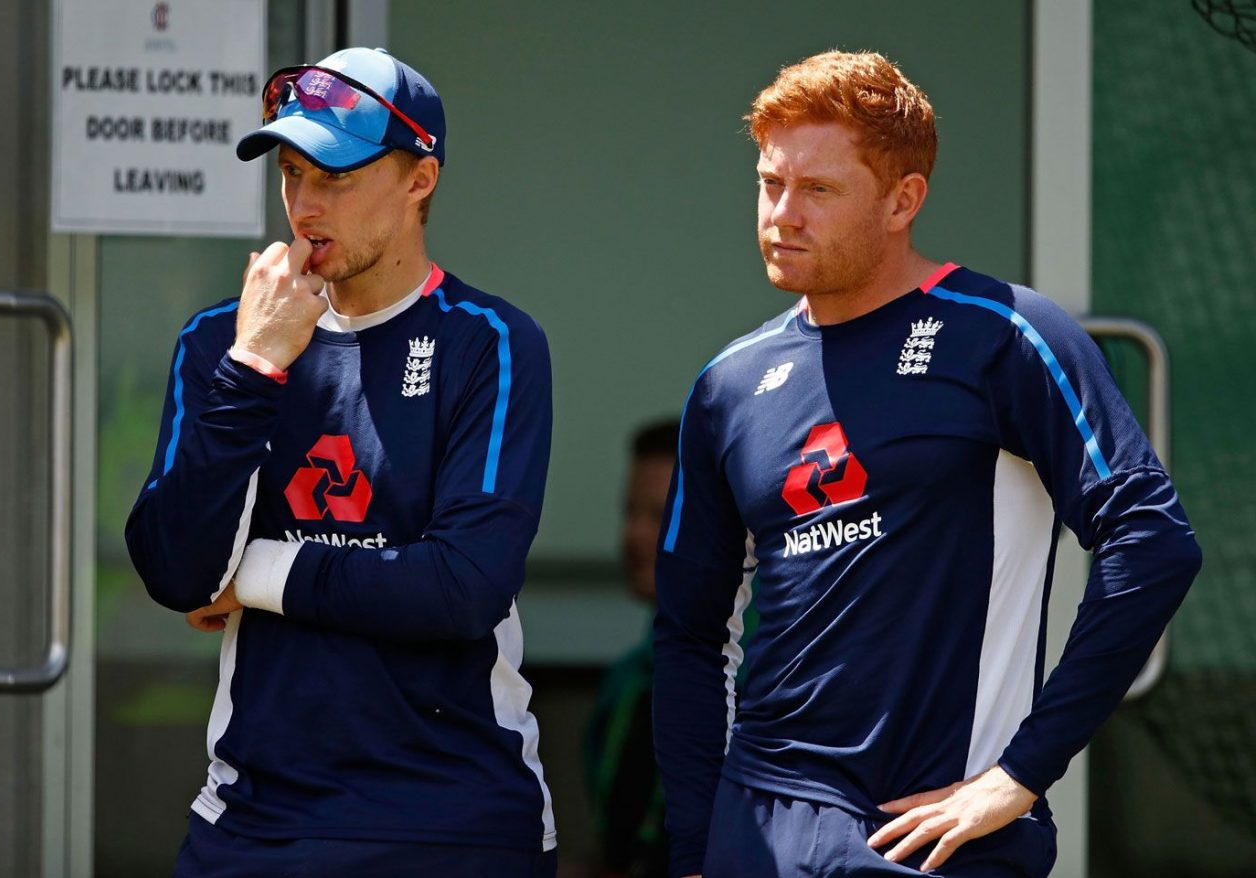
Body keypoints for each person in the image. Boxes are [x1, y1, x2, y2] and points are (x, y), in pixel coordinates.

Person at [652, 50, 1201, 878]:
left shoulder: (1008, 334)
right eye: (771, 184)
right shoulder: (728, 384)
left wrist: (1021, 774)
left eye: (820, 191)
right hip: (757, 831)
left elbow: (1153, 542)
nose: (782, 215)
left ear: (904, 198)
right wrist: (698, 847)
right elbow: (689, 636)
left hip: (936, 836)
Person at [125, 47, 556, 877]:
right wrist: (255, 366)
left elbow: (463, 587)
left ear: (419, 179)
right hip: (253, 818)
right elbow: (177, 574)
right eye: (291, 173)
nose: (305, 205)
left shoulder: (490, 341)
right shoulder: (223, 337)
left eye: (336, 176)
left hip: (452, 818)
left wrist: (255, 574)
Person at [584, 419, 679, 878]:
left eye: (659, 515)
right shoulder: (624, 684)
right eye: (629, 513)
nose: (635, 536)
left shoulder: (773, 680)